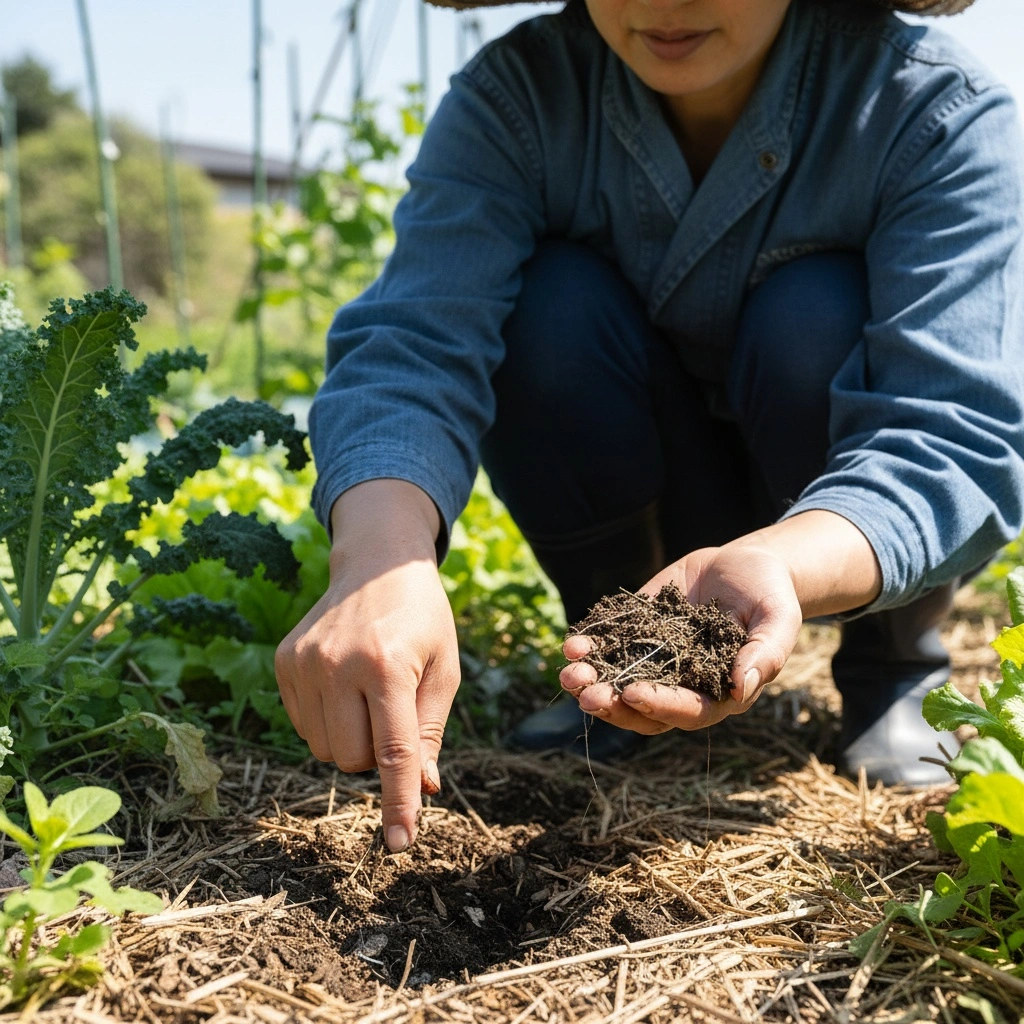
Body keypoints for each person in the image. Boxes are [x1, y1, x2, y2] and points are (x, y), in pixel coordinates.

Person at [274, 0, 1024, 854]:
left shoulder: (931, 108)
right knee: (546, 305)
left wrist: (778, 559)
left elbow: (953, 430)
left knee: (811, 315)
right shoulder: (523, 97)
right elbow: (415, 345)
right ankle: (613, 649)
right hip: (655, 492)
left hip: (833, 533)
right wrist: (381, 561)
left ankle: (891, 662)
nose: (666, 2)